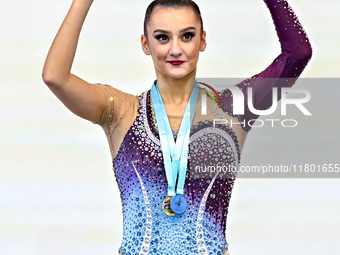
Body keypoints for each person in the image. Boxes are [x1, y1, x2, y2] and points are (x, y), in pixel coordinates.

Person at [42, 0, 312, 254]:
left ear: (202, 40)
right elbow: (55, 77)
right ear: (145, 44)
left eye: (187, 36)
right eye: (162, 37)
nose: (175, 49)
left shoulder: (232, 110)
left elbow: (298, 53)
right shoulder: (119, 111)